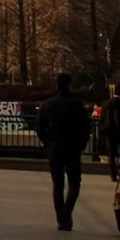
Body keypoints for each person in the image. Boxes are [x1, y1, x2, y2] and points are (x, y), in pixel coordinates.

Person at [34, 73, 91, 231]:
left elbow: (39, 128)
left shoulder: (47, 104)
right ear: (70, 84)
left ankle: (61, 217)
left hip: (55, 146)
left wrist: (48, 143)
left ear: (57, 85)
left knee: (58, 184)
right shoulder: (77, 104)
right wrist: (81, 145)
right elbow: (86, 128)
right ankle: (66, 215)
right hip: (73, 146)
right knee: (74, 183)